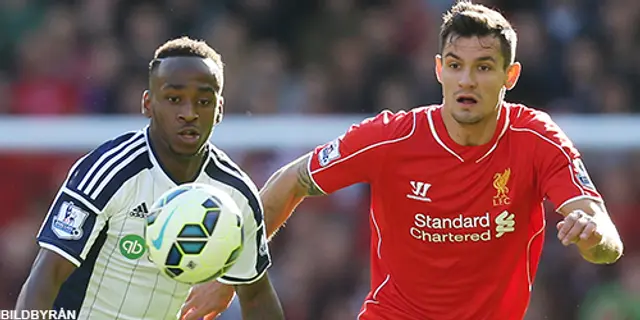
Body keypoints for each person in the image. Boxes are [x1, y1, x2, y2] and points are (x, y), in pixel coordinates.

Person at [180, 2, 624, 320]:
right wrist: (232, 273)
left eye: (484, 67)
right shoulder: (392, 138)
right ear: (438, 69)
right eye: (455, 65)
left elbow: (602, 233)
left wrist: (591, 236)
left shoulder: (536, 139)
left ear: (510, 76)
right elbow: (291, 180)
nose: (466, 79)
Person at [15, 36, 284, 320]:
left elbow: (255, 295)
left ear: (219, 110)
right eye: (174, 99)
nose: (189, 113)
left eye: (203, 101)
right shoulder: (109, 171)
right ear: (147, 104)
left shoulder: (236, 194)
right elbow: (46, 275)